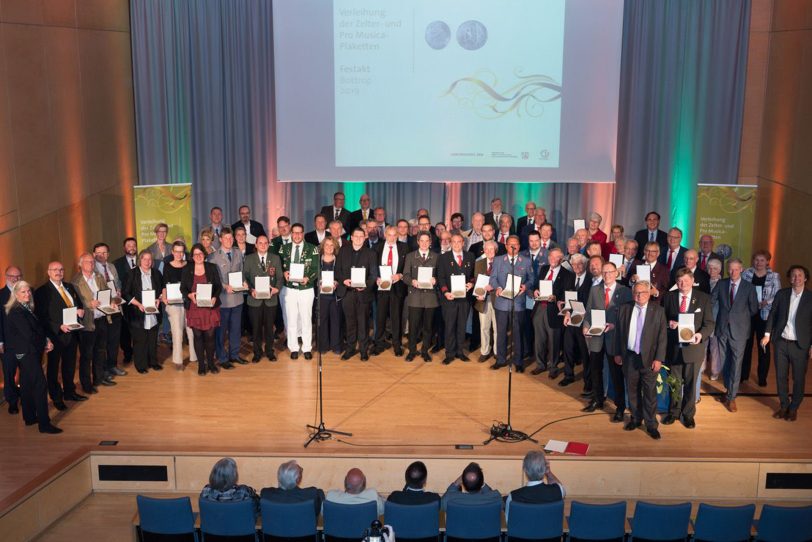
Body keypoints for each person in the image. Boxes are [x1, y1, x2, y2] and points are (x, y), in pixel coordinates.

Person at [3, 281, 61, 433]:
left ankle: (29, 418)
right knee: (41, 385)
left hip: (30, 351)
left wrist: (46, 339)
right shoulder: (16, 311)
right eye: (23, 292)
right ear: (16, 295)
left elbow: (37, 329)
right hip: (27, 353)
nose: (27, 294)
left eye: (28, 291)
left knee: (27, 384)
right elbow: (28, 335)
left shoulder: (26, 308)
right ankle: (44, 424)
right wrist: (45, 342)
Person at [614, 281, 668, 439]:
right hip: (629, 357)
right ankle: (636, 419)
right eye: (636, 293)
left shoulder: (658, 310)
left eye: (643, 292)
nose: (639, 296)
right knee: (632, 391)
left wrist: (659, 358)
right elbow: (619, 334)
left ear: (649, 293)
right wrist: (618, 353)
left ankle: (651, 424)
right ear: (632, 294)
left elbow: (662, 338)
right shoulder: (624, 308)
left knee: (650, 393)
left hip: (650, 359)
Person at [663, 268, 715, 428]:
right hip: (674, 348)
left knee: (691, 385)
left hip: (694, 349)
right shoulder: (669, 297)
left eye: (686, 280)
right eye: (679, 281)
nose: (682, 284)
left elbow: (709, 323)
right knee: (674, 383)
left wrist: (700, 335)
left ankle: (688, 414)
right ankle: (674, 412)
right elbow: (662, 319)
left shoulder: (703, 298)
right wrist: (669, 324)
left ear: (692, 281)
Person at [579, 261, 632, 420]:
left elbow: (628, 317)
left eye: (610, 272)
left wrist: (615, 325)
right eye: (605, 272)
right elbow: (588, 312)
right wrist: (585, 326)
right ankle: (598, 400)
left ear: (616, 273)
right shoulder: (595, 290)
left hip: (614, 338)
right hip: (596, 337)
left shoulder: (625, 292)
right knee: (595, 370)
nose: (607, 275)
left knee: (616, 375)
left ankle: (620, 407)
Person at [762, 265, 811, 421]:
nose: (796, 278)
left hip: (800, 345)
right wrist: (767, 334)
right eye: (793, 275)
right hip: (781, 342)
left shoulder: (810, 298)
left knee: (799, 378)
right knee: (781, 376)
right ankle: (784, 405)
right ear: (789, 278)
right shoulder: (782, 294)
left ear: (805, 278)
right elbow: (773, 314)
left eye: (799, 275)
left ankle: (794, 407)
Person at [35, 261, 86, 408]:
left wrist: (80, 310)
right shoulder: (42, 292)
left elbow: (78, 303)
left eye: (61, 269)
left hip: (72, 333)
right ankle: (56, 398)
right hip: (55, 336)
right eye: (55, 269)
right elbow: (42, 317)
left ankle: (69, 392)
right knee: (53, 369)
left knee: (69, 366)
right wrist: (58, 326)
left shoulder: (69, 286)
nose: (59, 272)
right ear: (48, 272)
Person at [713, 258, 759, 412]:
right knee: (725, 363)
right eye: (730, 269)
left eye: (736, 269)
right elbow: (712, 301)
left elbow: (754, 309)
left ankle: (732, 398)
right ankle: (728, 391)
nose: (733, 272)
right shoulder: (721, 284)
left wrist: (739, 319)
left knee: (736, 364)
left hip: (739, 331)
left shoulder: (749, 288)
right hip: (722, 329)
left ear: (742, 269)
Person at [489, 235, 535, 372]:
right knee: (501, 332)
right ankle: (501, 360)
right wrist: (497, 287)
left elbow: (532, 279)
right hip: (502, 303)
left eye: (515, 244)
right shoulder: (498, 260)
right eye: (510, 244)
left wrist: (525, 287)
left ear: (519, 246)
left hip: (518, 303)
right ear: (506, 246)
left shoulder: (526, 261)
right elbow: (493, 278)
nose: (513, 247)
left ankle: (518, 362)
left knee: (517, 334)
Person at [72, 253, 115, 395]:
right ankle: (86, 384)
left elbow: (106, 293)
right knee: (86, 355)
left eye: (92, 261)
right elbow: (74, 303)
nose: (91, 264)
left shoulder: (98, 276)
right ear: (80, 264)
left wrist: (112, 302)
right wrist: (88, 304)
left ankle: (99, 378)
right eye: (87, 262)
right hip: (87, 323)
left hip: (101, 318)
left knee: (100, 351)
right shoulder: (75, 282)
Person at [530, 248, 574, 377]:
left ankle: (553, 367)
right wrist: (535, 291)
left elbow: (568, 295)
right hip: (539, 309)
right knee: (539, 340)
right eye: (551, 257)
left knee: (554, 341)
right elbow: (536, 285)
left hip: (554, 311)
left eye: (556, 258)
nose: (553, 260)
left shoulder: (567, 275)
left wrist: (556, 298)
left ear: (561, 259)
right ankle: (540, 365)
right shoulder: (544, 269)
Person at [335, 228, 378, 360]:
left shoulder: (371, 253)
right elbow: (338, 271)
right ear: (351, 237)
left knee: (363, 323)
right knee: (350, 323)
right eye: (356, 236)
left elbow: (373, 275)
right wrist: (344, 280)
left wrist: (365, 285)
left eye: (361, 236)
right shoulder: (343, 251)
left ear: (365, 238)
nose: (359, 238)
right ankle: (350, 348)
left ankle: (363, 350)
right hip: (347, 293)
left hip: (363, 293)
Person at [742, 250, 782, 386]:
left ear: (767, 262)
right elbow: (741, 290)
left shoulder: (774, 276)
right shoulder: (746, 273)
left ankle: (762, 377)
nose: (759, 263)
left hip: (764, 315)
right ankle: (743, 374)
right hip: (748, 314)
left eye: (762, 260)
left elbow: (778, 294)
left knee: (763, 346)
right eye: (756, 260)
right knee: (746, 345)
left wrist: (767, 302)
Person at [181, 244, 223, 375]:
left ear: (204, 254)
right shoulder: (187, 268)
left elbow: (218, 286)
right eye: (195, 254)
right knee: (198, 337)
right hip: (194, 307)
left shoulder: (211, 267)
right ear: (192, 256)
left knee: (210, 336)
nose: (198, 256)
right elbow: (183, 288)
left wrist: (215, 297)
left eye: (200, 254)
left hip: (210, 307)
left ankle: (210, 363)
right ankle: (201, 365)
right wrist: (189, 295)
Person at [279, 223, 318, 360]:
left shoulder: (312, 249)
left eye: (299, 233)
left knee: (306, 319)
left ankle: (307, 348)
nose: (296, 235)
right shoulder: (283, 249)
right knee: (291, 319)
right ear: (291, 233)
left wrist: (309, 278)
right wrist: (284, 272)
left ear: (303, 233)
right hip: (289, 289)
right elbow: (278, 266)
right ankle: (293, 348)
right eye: (294, 233)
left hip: (306, 289)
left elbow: (316, 269)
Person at [208, 228, 245, 367]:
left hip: (238, 298)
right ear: (221, 240)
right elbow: (213, 279)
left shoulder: (237, 253)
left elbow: (241, 271)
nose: (229, 240)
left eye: (231, 238)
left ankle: (234, 355)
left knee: (236, 330)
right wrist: (224, 286)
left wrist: (244, 281)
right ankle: (222, 358)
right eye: (226, 238)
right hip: (223, 300)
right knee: (221, 331)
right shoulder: (213, 257)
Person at [123, 251, 164, 374]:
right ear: (140, 260)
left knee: (152, 339)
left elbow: (162, 289)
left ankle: (153, 362)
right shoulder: (131, 274)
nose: (147, 262)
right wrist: (138, 304)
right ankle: (140, 365)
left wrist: (159, 299)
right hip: (137, 311)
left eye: (150, 259)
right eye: (145, 259)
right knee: (140, 340)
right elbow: (125, 293)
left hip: (153, 311)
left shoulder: (156, 273)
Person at [436, 233, 475, 364]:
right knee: (450, 326)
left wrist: (472, 283)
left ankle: (460, 352)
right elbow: (440, 278)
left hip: (464, 299)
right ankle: (449, 354)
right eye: (454, 242)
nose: (457, 244)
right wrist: (445, 292)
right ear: (450, 243)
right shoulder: (443, 258)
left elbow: (474, 276)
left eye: (459, 242)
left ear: (463, 243)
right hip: (450, 298)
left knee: (461, 326)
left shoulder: (470, 256)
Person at [243, 235, 282, 362]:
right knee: (256, 328)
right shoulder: (249, 259)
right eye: (260, 243)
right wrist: (250, 290)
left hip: (271, 299)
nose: (263, 245)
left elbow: (280, 277)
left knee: (270, 327)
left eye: (266, 243)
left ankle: (270, 351)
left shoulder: (275, 258)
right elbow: (245, 278)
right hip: (255, 300)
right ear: (255, 244)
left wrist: (277, 288)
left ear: (268, 244)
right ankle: (257, 352)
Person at [92, 243, 128, 380]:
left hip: (116, 307)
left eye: (105, 252)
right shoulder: (92, 269)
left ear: (108, 254)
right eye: (99, 253)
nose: (102, 255)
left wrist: (118, 290)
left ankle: (112, 365)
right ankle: (104, 369)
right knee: (103, 342)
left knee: (114, 340)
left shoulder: (111, 266)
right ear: (94, 254)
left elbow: (117, 282)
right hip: (102, 310)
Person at [403, 232, 439, 362]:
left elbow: (440, 275)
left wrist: (436, 280)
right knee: (413, 327)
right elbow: (405, 275)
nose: (424, 243)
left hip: (430, 297)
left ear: (430, 242)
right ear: (418, 241)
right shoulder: (410, 256)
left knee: (428, 327)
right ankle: (412, 351)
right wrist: (412, 281)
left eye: (427, 241)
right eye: (421, 240)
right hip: (415, 296)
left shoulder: (436, 257)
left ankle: (425, 351)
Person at [373, 226, 409, 356]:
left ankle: (397, 345)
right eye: (390, 235)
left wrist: (400, 275)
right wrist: (375, 277)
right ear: (385, 234)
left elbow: (407, 268)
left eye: (395, 235)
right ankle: (379, 344)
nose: (392, 237)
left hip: (397, 286)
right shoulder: (377, 247)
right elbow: (372, 266)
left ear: (398, 235)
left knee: (396, 317)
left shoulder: (404, 248)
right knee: (380, 317)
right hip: (381, 286)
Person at [162, 241, 197, 370]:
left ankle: (194, 356)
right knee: (177, 332)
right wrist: (164, 297)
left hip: (188, 301)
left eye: (181, 251)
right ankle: (178, 361)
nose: (179, 254)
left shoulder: (189, 265)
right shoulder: (167, 266)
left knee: (192, 330)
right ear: (172, 252)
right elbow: (164, 284)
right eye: (176, 251)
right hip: (173, 303)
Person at [505, 451, 565, 521]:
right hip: (550, 531)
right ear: (545, 469)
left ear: (524, 469)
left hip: (522, 531)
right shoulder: (558, 491)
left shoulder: (513, 496)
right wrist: (548, 473)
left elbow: (508, 521)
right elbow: (559, 486)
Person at [561, 254, 591, 388]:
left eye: (579, 264)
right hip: (571, 318)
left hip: (584, 320)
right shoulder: (570, 277)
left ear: (585, 265)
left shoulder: (590, 280)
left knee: (585, 352)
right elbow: (567, 297)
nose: (577, 267)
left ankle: (587, 381)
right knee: (567, 347)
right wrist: (567, 312)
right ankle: (568, 375)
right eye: (574, 264)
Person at [261, 460, 325, 516]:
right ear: (298, 479)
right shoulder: (312, 495)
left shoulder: (266, 494)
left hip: (272, 530)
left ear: (279, 477)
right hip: (304, 530)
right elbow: (318, 511)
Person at [1, 266, 23, 413]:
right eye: (12, 276)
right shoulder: (0, 295)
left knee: (27, 372)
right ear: (6, 276)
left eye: (18, 276)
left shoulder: (27, 291)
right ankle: (12, 402)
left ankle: (27, 398)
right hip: (8, 344)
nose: (15, 279)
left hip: (26, 343)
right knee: (9, 375)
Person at [113, 237, 138, 365]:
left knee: (140, 328)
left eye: (134, 245)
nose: (132, 247)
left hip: (141, 301)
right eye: (129, 245)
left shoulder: (143, 260)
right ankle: (128, 353)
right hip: (124, 301)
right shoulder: (116, 264)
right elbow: (116, 282)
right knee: (125, 330)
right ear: (124, 248)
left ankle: (140, 352)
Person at [474, 241, 499, 363]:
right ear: (484, 250)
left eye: (492, 249)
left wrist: (494, 286)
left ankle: (497, 352)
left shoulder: (501, 263)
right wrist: (478, 293)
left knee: (497, 328)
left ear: (496, 250)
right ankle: (484, 351)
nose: (489, 251)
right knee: (484, 327)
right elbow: (475, 280)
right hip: (482, 300)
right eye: (487, 249)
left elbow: (504, 281)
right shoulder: (479, 263)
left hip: (498, 300)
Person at [317, 237, 342, 354]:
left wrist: (337, 282)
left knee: (335, 321)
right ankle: (323, 346)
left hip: (335, 296)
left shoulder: (339, 260)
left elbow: (342, 276)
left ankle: (336, 345)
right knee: (322, 321)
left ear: (335, 247)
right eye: (326, 245)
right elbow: (313, 275)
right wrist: (318, 283)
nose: (329, 247)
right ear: (323, 246)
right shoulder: (317, 260)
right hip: (321, 296)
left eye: (332, 245)